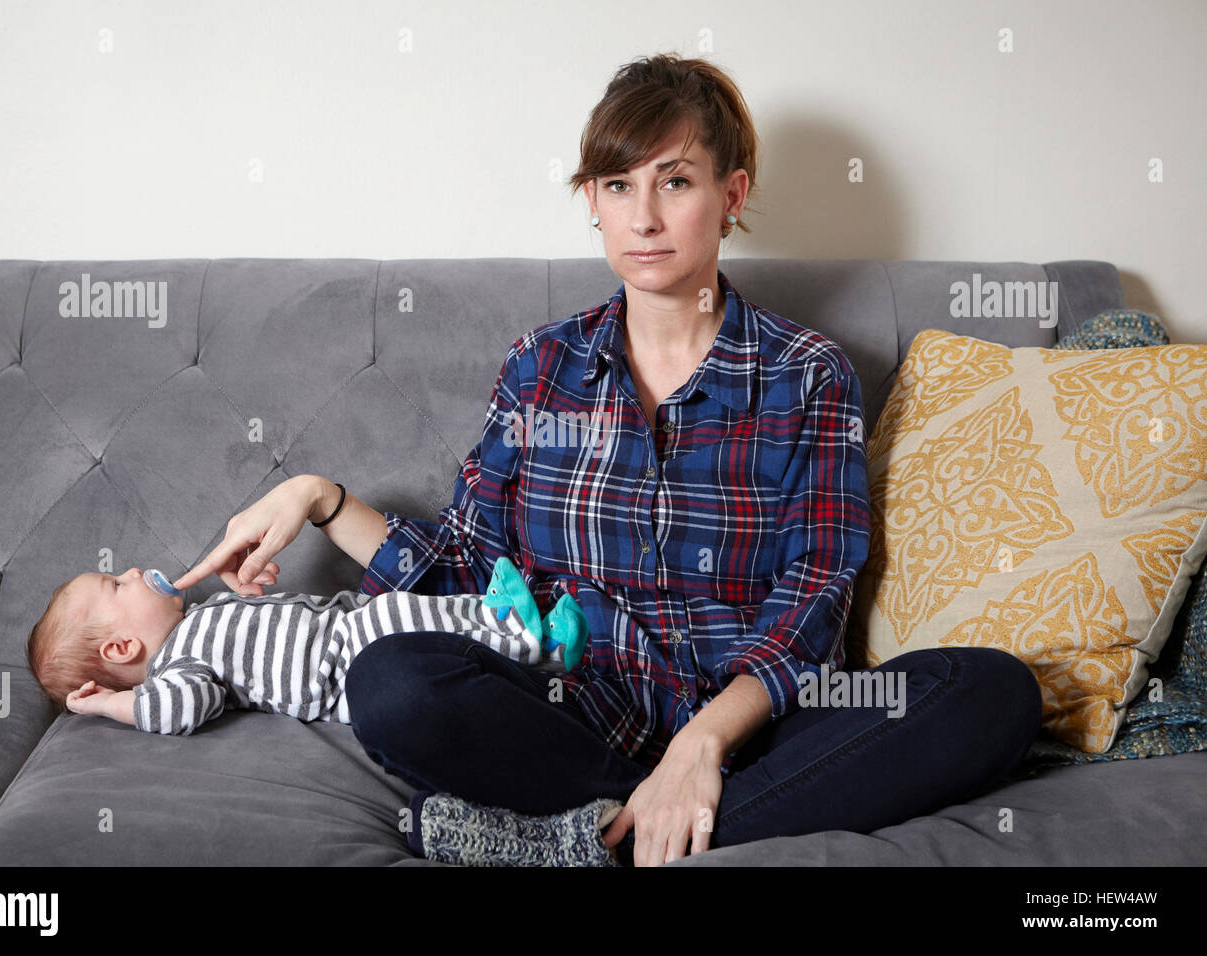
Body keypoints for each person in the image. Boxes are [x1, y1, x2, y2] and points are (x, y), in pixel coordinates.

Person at [174, 53, 1043, 867]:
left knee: (990, 689)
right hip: (576, 716)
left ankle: (602, 836)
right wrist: (319, 498)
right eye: (618, 185)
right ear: (592, 199)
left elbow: (816, 593)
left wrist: (703, 743)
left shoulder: (805, 374)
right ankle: (665, 819)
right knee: (393, 682)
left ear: (731, 195)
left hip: (758, 728)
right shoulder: (540, 368)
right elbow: (472, 572)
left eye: (676, 181)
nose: (645, 215)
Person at [25, 556, 587, 735]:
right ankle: (533, 648)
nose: (130, 570)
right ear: (122, 649)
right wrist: (103, 703)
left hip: (347, 621)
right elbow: (173, 710)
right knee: (407, 621)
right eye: (117, 586)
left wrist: (239, 592)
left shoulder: (200, 615)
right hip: (343, 668)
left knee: (407, 608)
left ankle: (502, 616)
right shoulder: (179, 667)